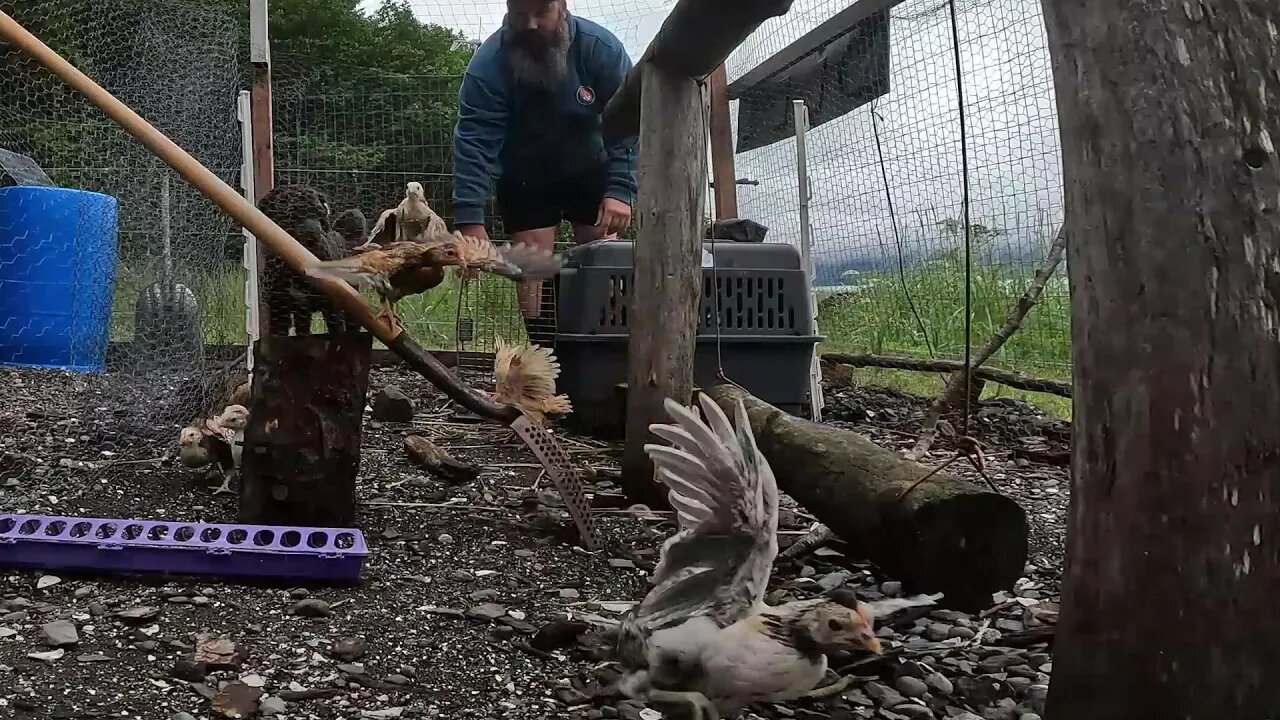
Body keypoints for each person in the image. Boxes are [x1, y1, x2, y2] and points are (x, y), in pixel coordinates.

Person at [451, 0, 637, 345]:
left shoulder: (601, 49)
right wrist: (469, 221)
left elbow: (628, 122)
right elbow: (475, 141)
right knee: (532, 268)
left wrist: (621, 189)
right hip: (525, 176)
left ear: (563, 7)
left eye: (542, 13)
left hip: (590, 169)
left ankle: (609, 350)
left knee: (604, 259)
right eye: (521, 15)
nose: (532, 25)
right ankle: (545, 357)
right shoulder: (488, 66)